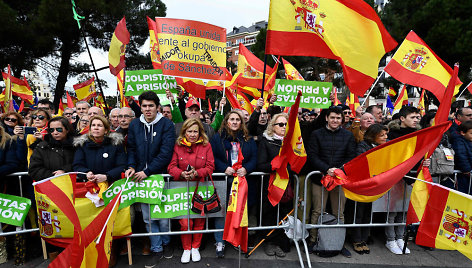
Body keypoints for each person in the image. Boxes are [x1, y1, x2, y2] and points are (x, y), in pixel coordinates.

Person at [124, 91, 176, 267]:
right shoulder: (134, 125)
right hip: (141, 179)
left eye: (151, 106)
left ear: (157, 107)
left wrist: (147, 171)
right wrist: (131, 166)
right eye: (144, 106)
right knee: (148, 217)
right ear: (140, 106)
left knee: (163, 216)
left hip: (160, 176)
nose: (147, 109)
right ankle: (156, 248)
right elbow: (130, 148)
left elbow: (166, 153)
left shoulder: (167, 125)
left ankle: (167, 244)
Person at [306, 105, 356, 257]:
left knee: (339, 212)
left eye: (338, 118)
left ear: (342, 120)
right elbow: (312, 155)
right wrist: (327, 169)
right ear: (326, 118)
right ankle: (313, 241)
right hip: (320, 178)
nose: (335, 120)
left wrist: (337, 170)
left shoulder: (348, 136)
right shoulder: (316, 134)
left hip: (340, 179)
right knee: (317, 211)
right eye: (332, 117)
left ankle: (338, 243)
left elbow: (351, 156)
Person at [210, 110, 257, 257]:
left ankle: (236, 240)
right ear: (226, 121)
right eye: (232, 119)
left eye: (238, 119)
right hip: (224, 182)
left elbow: (254, 157)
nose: (235, 122)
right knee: (222, 213)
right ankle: (220, 242)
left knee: (240, 212)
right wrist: (223, 168)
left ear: (241, 122)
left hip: (241, 182)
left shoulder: (248, 139)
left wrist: (246, 169)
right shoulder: (217, 138)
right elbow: (212, 156)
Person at [168, 118, 215, 263]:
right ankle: (186, 248)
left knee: (199, 220)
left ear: (200, 132)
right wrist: (181, 173)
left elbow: (210, 166)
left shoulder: (206, 146)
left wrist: (198, 173)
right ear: (184, 132)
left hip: (200, 187)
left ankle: (195, 248)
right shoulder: (178, 146)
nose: (193, 134)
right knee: (184, 222)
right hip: (182, 189)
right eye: (190, 131)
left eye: (196, 131)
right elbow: (171, 167)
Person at [346, 124, 388, 255]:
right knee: (358, 213)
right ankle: (356, 240)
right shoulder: (363, 146)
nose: (386, 137)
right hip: (362, 185)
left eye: (386, 134)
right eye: (382, 135)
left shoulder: (385, 147)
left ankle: (364, 239)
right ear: (373, 135)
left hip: (374, 186)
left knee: (367, 213)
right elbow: (362, 164)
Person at [257, 113, 293, 257]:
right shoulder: (266, 141)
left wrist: (288, 168)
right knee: (270, 215)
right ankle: (269, 242)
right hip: (271, 186)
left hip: (288, 186)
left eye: (286, 124)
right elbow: (261, 164)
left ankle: (281, 242)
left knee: (285, 214)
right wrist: (276, 166)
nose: (284, 127)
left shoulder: (292, 142)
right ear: (273, 126)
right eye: (280, 124)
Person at [451, 120, 472, 194]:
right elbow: (461, 155)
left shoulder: (468, 141)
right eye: (471, 133)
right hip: (464, 175)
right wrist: (467, 170)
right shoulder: (458, 141)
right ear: (463, 133)